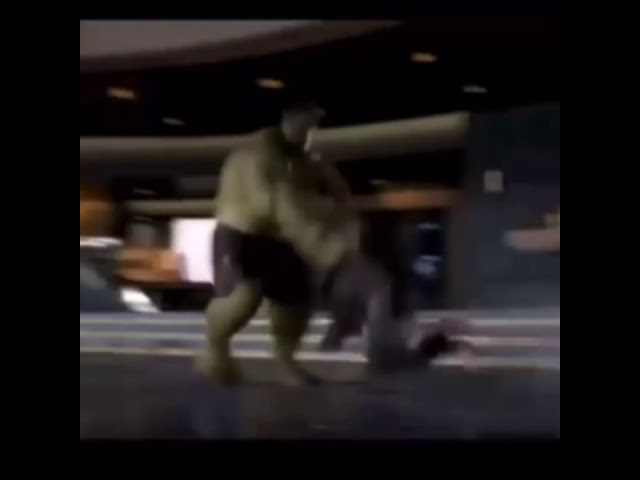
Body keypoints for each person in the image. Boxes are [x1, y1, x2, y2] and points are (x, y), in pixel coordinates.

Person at [196, 102, 359, 386]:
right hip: (241, 233)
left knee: (295, 301)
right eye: (307, 120)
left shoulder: (303, 158)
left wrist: (327, 179)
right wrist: (320, 244)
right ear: (289, 117)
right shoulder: (256, 154)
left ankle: (285, 360)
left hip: (279, 237)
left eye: (314, 123)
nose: (310, 129)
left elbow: (338, 197)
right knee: (243, 298)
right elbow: (274, 203)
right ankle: (215, 349)